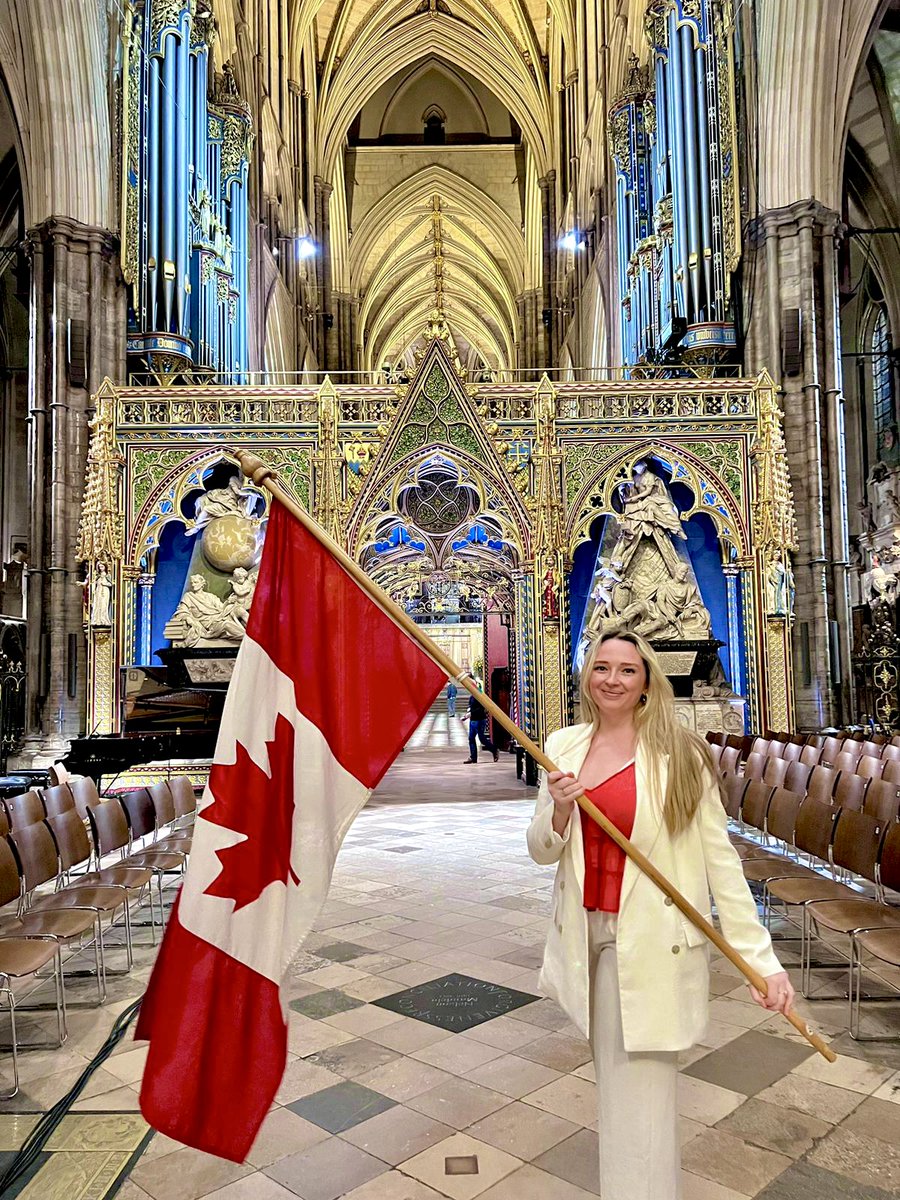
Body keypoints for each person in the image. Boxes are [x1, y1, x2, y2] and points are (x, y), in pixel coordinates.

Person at [526, 628, 792, 1199]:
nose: (612, 680)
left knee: (641, 1096)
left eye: (626, 669)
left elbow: (721, 864)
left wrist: (760, 960)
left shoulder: (679, 755)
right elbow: (541, 850)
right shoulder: (564, 744)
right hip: (587, 934)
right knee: (615, 1090)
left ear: (647, 680)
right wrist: (560, 813)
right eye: (602, 667)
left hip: (649, 936)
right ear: (586, 676)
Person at [460, 681, 500, 764]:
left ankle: (494, 749)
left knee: (482, 739)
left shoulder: (480, 696)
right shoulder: (471, 697)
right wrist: (467, 714)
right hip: (473, 720)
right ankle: (473, 757)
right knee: (471, 738)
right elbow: (471, 707)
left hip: (480, 720)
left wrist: (470, 713)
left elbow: (481, 709)